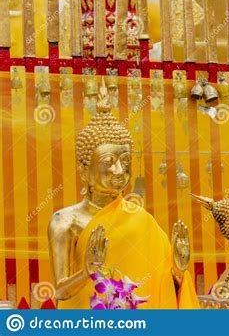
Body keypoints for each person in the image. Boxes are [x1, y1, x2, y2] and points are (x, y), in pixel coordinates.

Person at [48, 80, 199, 309]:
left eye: (125, 161)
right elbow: (60, 290)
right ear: (83, 170)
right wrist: (87, 272)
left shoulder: (140, 220)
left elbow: (159, 287)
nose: (119, 171)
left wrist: (178, 270)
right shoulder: (66, 221)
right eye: (108, 162)